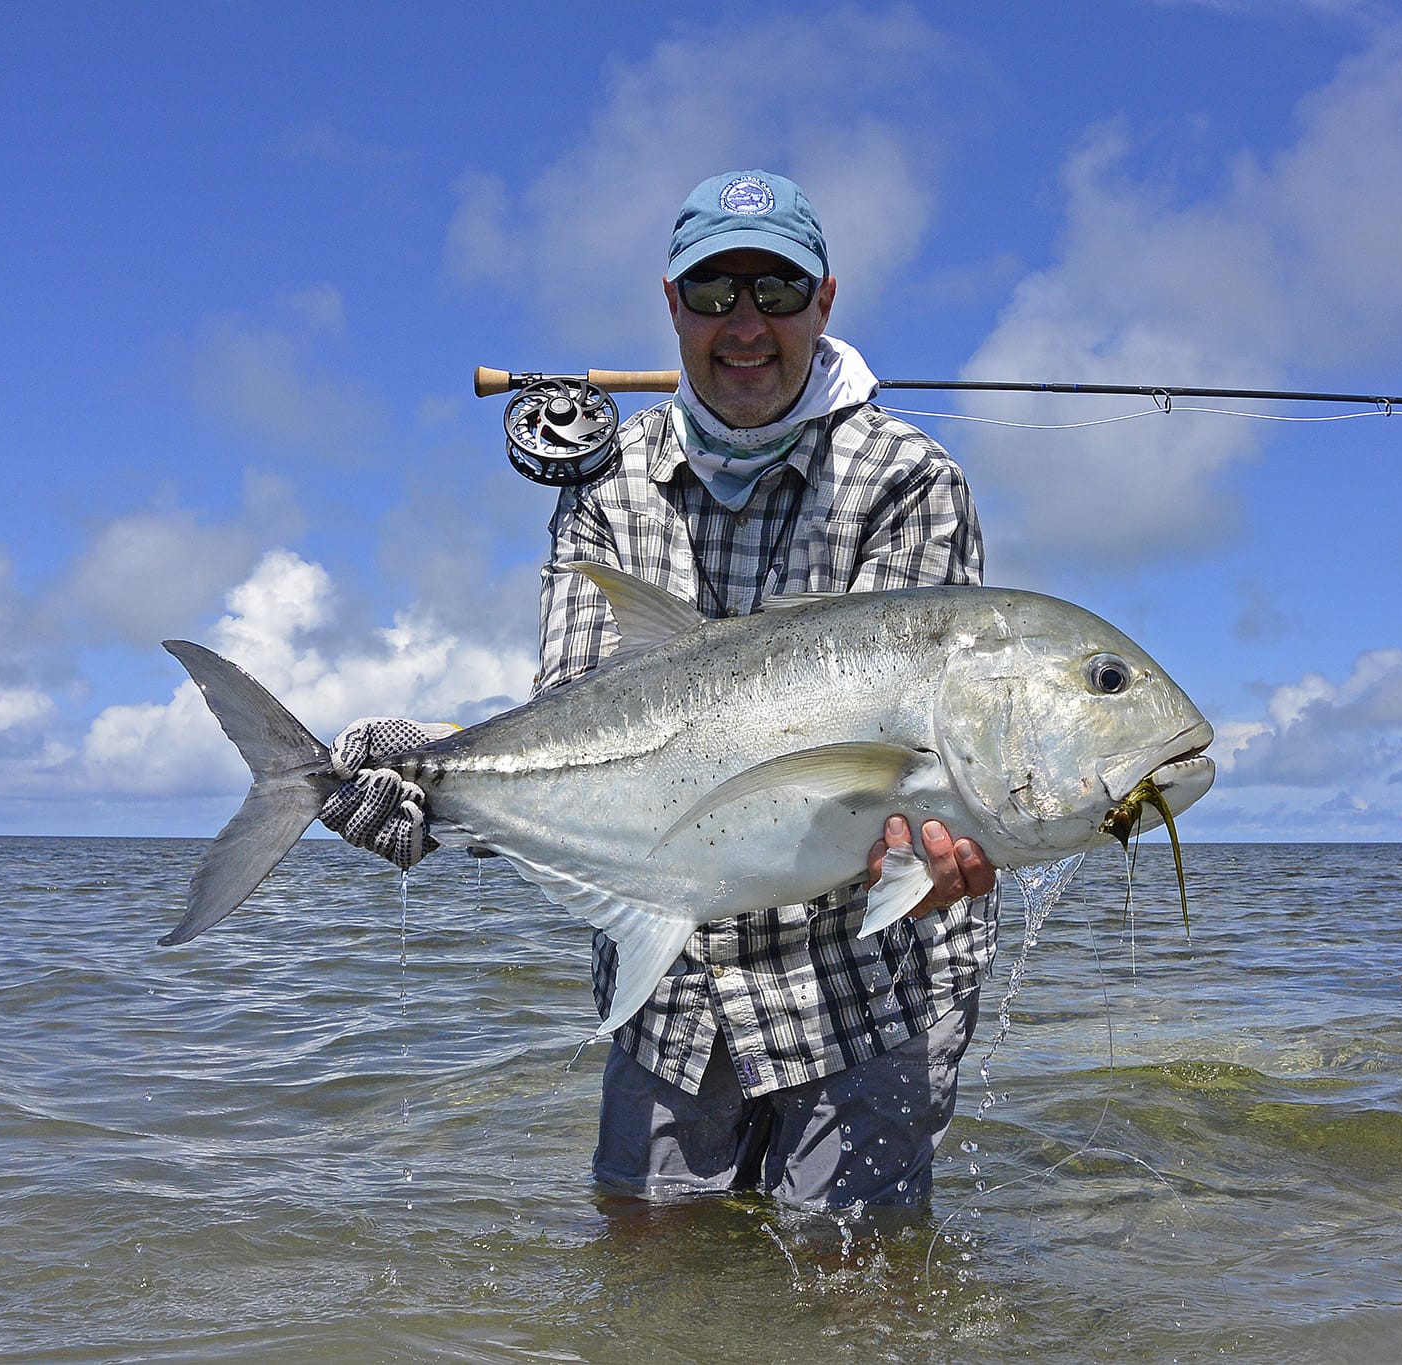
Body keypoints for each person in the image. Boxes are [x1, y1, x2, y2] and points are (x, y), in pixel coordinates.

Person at [324, 170, 998, 1209]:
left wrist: (951, 830)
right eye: (711, 291)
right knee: (645, 1288)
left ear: (823, 303)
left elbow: (901, 743)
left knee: (860, 1293)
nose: (742, 322)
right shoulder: (606, 482)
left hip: (861, 981)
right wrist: (439, 787)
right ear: (671, 305)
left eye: (773, 291)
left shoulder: (906, 479)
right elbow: (581, 720)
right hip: (667, 984)